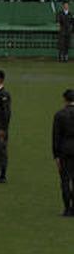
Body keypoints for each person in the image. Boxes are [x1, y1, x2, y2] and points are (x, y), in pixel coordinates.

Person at [53, 88, 74, 217]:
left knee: (65, 180)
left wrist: (56, 156)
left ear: (65, 99)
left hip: (65, 151)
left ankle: (67, 209)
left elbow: (56, 137)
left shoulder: (60, 115)